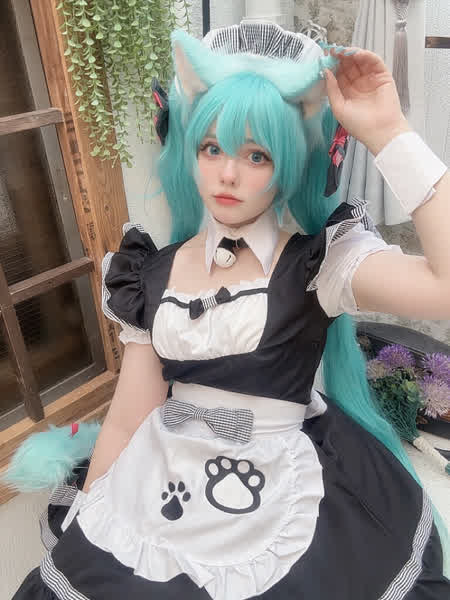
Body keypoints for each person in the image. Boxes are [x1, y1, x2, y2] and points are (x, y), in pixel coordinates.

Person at [10, 21, 450, 600]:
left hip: (280, 484)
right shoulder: (149, 274)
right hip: (163, 477)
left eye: (256, 154)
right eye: (211, 147)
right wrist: (87, 516)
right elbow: (127, 418)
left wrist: (389, 132)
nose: (227, 174)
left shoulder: (318, 264)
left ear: (289, 162)